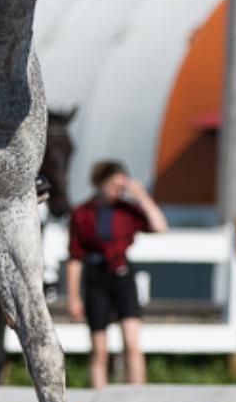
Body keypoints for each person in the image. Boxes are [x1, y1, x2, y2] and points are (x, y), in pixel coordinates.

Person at [65, 160, 166, 388]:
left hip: (122, 275)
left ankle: (136, 394)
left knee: (131, 341)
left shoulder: (127, 210)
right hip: (96, 277)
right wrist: (73, 297)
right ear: (100, 182)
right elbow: (75, 257)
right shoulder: (82, 213)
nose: (117, 190)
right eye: (112, 184)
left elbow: (159, 226)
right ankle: (99, 397)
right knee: (99, 347)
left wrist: (141, 196)